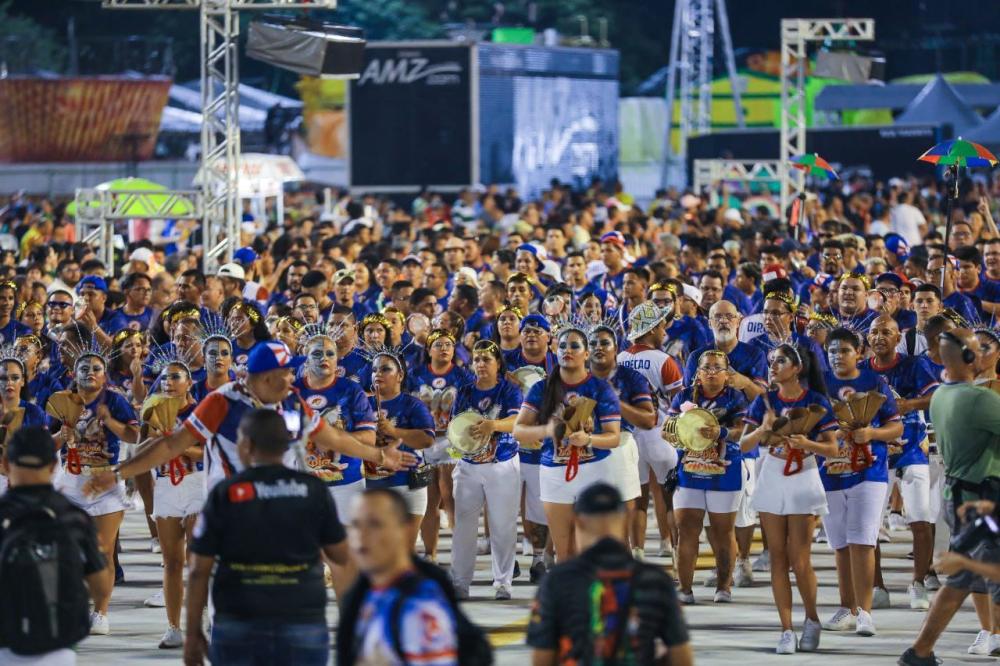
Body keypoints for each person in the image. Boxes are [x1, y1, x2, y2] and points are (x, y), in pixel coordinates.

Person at [184, 409, 349, 666]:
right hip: (302, 620)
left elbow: (197, 570)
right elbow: (340, 555)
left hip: (239, 621)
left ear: (247, 445)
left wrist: (193, 633)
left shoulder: (225, 494)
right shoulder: (313, 489)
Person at [899, 328, 1000, 666]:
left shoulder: (944, 393)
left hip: (960, 496)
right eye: (979, 348)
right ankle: (920, 650)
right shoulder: (979, 399)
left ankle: (922, 650)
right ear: (970, 358)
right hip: (979, 498)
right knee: (965, 578)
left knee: (966, 577)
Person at [739, 343, 838, 654]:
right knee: (777, 560)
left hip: (803, 476)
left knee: (800, 559)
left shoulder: (816, 401)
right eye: (771, 361)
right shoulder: (764, 401)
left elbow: (833, 448)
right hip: (772, 474)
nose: (773, 365)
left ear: (797, 368)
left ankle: (811, 618)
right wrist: (762, 431)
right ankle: (785, 629)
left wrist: (807, 442)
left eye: (780, 360)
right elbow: (743, 444)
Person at [526, 482, 693, 666]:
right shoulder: (655, 580)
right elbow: (681, 657)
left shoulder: (557, 581)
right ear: (625, 519)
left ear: (578, 521)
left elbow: (542, 658)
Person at [49, 346, 139, 636]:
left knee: (102, 550)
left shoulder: (114, 400)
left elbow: (135, 435)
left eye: (96, 369)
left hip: (106, 483)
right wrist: (60, 436)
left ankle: (100, 613)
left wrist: (108, 420)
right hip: (71, 481)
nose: (90, 373)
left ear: (104, 375)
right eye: (84, 368)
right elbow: (48, 444)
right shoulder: (61, 400)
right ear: (75, 373)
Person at [514, 323, 621, 562]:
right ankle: (568, 597)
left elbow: (614, 437)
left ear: (586, 353)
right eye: (562, 346)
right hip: (554, 471)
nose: (567, 350)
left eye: (574, 345)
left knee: (591, 549)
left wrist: (588, 439)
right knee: (564, 552)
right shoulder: (542, 388)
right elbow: (518, 431)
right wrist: (547, 429)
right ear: (555, 350)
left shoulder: (601, 388)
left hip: (594, 470)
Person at [820, 328, 902, 637]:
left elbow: (895, 427)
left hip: (870, 471)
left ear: (859, 352)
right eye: (831, 351)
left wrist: (871, 434)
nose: (837, 356)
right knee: (840, 544)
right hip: (828, 471)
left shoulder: (874, 382)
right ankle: (846, 607)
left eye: (843, 350)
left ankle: (865, 612)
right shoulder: (820, 384)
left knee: (863, 540)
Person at [0, 427, 106, 665]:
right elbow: (100, 587)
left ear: (6, 464)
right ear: (53, 466)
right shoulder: (75, 517)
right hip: (59, 643)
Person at [336, 488, 468, 666]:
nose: (361, 537)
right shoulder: (363, 594)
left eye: (375, 524)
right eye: (356, 525)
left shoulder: (421, 607)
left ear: (404, 530)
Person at [293, 322, 377, 600]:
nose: (324, 359)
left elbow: (369, 438)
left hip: (347, 482)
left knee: (347, 553)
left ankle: (349, 617)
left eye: (329, 353)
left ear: (338, 358)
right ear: (305, 357)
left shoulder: (350, 391)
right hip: (303, 484)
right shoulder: (291, 392)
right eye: (317, 353)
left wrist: (332, 436)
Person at [669, 350, 748, 605]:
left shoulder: (736, 397)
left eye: (718, 368)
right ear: (697, 374)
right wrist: (675, 432)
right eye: (706, 368)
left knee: (723, 530)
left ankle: (724, 586)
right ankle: (684, 589)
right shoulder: (684, 396)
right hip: (690, 468)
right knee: (687, 528)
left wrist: (720, 431)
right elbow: (668, 430)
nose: (712, 372)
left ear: (727, 374)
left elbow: (743, 431)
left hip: (725, 468)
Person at [136, 351, 203, 648]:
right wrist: (157, 440)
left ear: (189, 382)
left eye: (175, 377)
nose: (168, 382)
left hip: (198, 484)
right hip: (166, 486)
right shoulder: (152, 411)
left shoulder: (200, 411)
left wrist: (178, 445)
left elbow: (208, 452)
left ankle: (202, 623)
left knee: (199, 560)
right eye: (164, 377)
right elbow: (143, 453)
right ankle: (174, 627)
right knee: (172, 563)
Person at [449, 339, 523, 600]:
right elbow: (455, 424)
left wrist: (493, 425)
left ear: (498, 364)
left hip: (502, 464)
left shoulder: (509, 390)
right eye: (477, 359)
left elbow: (517, 421)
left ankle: (503, 581)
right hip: (469, 466)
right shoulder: (465, 391)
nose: (480, 364)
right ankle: (459, 581)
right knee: (463, 527)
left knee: (503, 526)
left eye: (487, 359)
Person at [364, 347, 436, 549]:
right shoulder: (362, 404)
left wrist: (394, 431)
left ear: (400, 375)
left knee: (403, 552)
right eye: (375, 369)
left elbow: (427, 440)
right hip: (373, 485)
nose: (378, 374)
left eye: (385, 369)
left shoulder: (413, 404)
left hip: (409, 483)